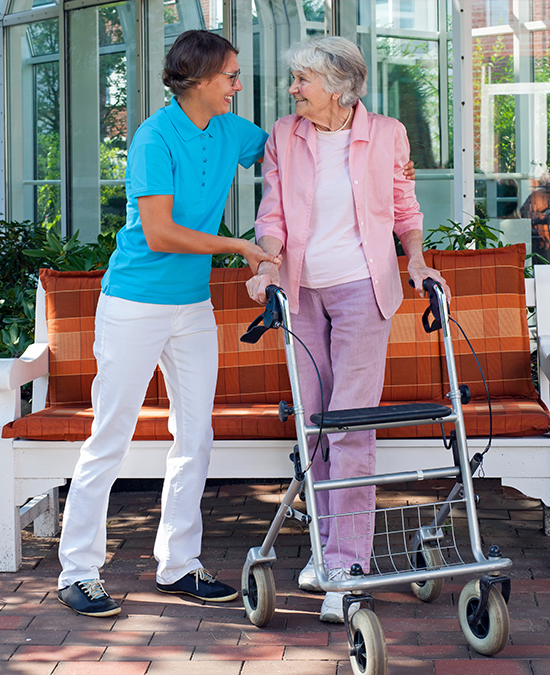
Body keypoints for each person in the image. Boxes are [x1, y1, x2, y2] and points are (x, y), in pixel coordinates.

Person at [56, 29, 281, 617]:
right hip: (135, 302)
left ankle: (179, 566)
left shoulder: (231, 130)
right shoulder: (154, 137)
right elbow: (159, 233)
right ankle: (78, 572)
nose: (238, 85)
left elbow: (289, 147)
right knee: (111, 434)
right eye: (231, 76)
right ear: (202, 81)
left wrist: (377, 146)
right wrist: (238, 244)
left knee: (195, 435)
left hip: (192, 307)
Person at [246, 36, 450, 624]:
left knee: (352, 428)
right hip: (302, 290)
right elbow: (273, 212)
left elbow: (405, 207)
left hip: (365, 290)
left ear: (337, 86)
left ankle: (347, 564)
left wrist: (415, 258)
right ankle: (323, 551)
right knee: (314, 425)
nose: (293, 90)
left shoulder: (387, 134)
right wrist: (267, 264)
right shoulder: (286, 134)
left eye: (302, 80)